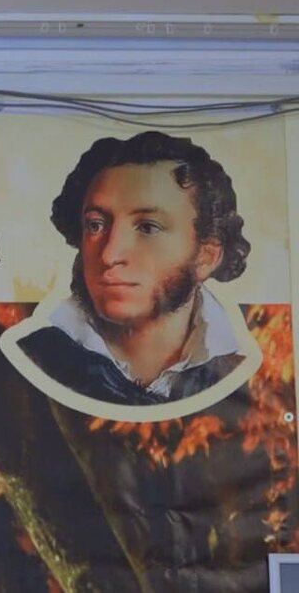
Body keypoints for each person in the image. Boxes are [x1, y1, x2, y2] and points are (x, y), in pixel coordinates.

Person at [13, 131, 251, 405]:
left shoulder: (245, 380)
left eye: (148, 228)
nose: (109, 254)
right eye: (96, 225)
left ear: (205, 257)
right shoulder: (34, 360)